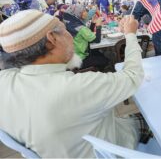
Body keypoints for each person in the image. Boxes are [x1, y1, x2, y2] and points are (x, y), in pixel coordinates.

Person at [0, 10, 149, 157]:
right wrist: (130, 35)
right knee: (150, 118)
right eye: (65, 31)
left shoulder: (4, 82)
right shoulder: (79, 86)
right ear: (52, 39)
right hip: (113, 149)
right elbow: (133, 76)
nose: (71, 37)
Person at [62, 4, 108, 71]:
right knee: (105, 60)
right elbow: (97, 40)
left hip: (71, 58)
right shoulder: (80, 28)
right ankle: (96, 74)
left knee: (97, 52)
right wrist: (98, 26)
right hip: (81, 59)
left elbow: (87, 36)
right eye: (83, 11)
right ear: (77, 13)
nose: (86, 12)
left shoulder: (69, 24)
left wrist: (92, 23)